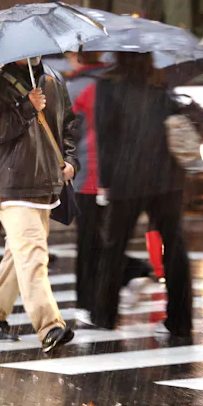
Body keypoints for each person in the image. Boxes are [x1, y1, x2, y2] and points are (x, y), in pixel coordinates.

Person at [0, 57, 79, 352]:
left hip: (45, 182)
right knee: (33, 254)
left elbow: (69, 125)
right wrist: (25, 108)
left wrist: (70, 160)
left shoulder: (53, 80)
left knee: (18, 254)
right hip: (11, 185)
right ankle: (49, 326)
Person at [92, 52, 193, 337]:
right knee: (174, 247)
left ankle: (105, 315)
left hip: (128, 177)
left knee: (113, 247)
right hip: (167, 176)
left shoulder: (109, 85)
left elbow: (104, 135)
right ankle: (180, 320)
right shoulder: (160, 82)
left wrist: (105, 181)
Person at [65, 51, 153, 324]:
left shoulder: (75, 87)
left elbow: (67, 132)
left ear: (77, 56)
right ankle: (130, 273)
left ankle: (88, 302)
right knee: (104, 239)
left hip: (86, 172)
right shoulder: (117, 83)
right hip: (115, 173)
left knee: (89, 241)